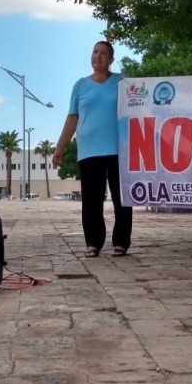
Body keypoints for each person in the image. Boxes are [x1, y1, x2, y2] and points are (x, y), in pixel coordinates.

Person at [52, 40, 133, 258]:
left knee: (121, 198)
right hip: (89, 150)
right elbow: (72, 116)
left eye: (103, 53)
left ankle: (121, 242)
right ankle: (93, 242)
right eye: (95, 52)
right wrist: (60, 147)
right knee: (91, 200)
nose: (98, 56)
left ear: (111, 59)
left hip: (119, 149)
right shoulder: (80, 85)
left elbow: (139, 103)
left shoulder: (122, 81)